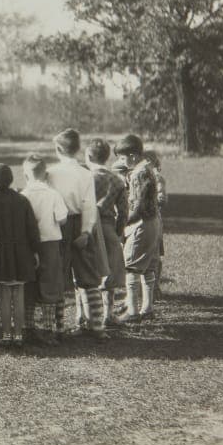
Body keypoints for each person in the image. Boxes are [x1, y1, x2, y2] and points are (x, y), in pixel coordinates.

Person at [47, 129, 110, 341]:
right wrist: (86, 231)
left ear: (57, 149)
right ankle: (97, 325)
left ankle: (57, 327)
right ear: (78, 149)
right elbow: (90, 206)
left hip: (59, 225)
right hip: (81, 223)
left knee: (57, 276)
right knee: (88, 277)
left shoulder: (51, 173)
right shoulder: (85, 173)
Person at [0, 163, 39, 348]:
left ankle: (6, 334)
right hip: (23, 253)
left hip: (3, 254)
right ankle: (18, 335)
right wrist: (35, 251)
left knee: (6, 294)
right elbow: (32, 229)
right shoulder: (22, 200)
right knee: (19, 294)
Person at [19, 154, 68, 346]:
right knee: (50, 285)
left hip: (28, 245)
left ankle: (28, 328)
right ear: (45, 174)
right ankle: (48, 330)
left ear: (25, 175)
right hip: (49, 243)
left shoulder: (23, 195)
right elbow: (62, 219)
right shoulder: (53, 194)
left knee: (29, 285)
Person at [115, 134, 160, 322]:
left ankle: (133, 312)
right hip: (154, 222)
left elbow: (138, 204)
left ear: (133, 156)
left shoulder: (138, 173)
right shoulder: (149, 168)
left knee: (131, 267)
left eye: (123, 158)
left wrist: (123, 222)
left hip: (141, 224)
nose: (121, 162)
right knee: (148, 266)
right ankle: (147, 308)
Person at [87, 139, 129, 327]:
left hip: (88, 226)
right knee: (109, 274)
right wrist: (119, 231)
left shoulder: (86, 177)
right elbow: (123, 211)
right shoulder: (117, 180)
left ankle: (85, 314)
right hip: (108, 226)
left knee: (87, 272)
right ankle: (108, 313)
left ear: (88, 156)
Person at [142, 149, 168, 300]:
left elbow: (162, 198)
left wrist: (148, 203)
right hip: (141, 219)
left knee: (155, 254)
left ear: (151, 161)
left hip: (153, 219)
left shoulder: (157, 178)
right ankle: (146, 287)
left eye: (145, 160)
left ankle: (155, 286)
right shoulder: (138, 176)